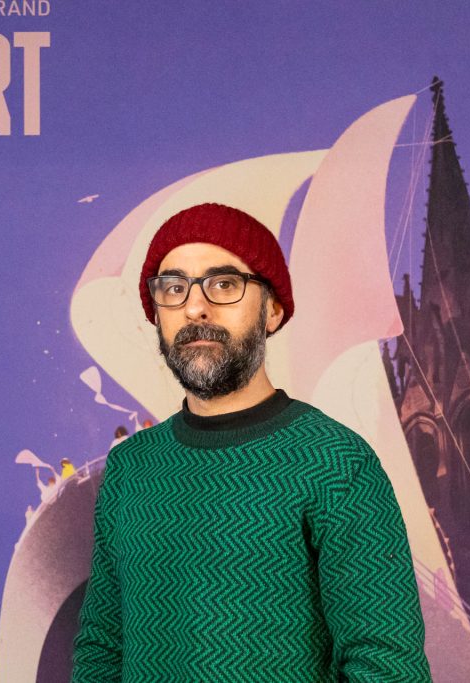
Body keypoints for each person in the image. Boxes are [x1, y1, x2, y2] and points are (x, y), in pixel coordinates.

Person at [71, 203, 430, 681]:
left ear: (273, 310)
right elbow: (101, 650)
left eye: (224, 284)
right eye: (174, 288)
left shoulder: (336, 463)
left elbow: (389, 668)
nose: (195, 307)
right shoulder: (130, 468)